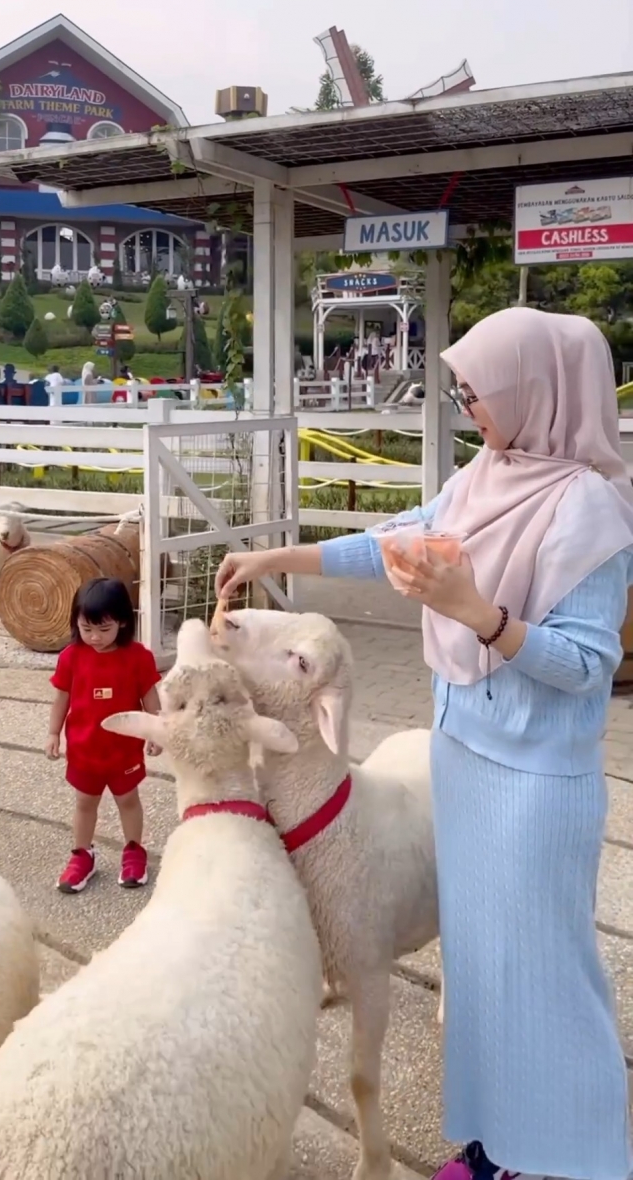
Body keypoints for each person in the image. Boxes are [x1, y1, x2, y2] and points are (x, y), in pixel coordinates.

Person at [216, 307, 633, 1180]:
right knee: (478, 967)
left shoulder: (591, 508)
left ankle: (581, 1154)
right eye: (465, 391)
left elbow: (589, 665)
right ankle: (496, 1147)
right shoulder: (492, 472)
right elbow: (400, 541)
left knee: (544, 975)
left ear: (539, 391)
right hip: (462, 756)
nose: (469, 406)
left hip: (532, 780)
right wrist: (278, 560)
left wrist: (477, 613)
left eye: (481, 391)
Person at [45, 577, 161, 895]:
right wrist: (53, 732)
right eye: (87, 628)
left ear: (123, 621)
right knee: (85, 802)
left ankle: (134, 850)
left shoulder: (138, 657)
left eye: (104, 629)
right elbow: (61, 699)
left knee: (128, 800)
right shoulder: (71, 657)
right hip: (84, 749)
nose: (95, 637)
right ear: (76, 623)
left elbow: (150, 697)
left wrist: (156, 729)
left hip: (124, 750)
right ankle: (83, 854)